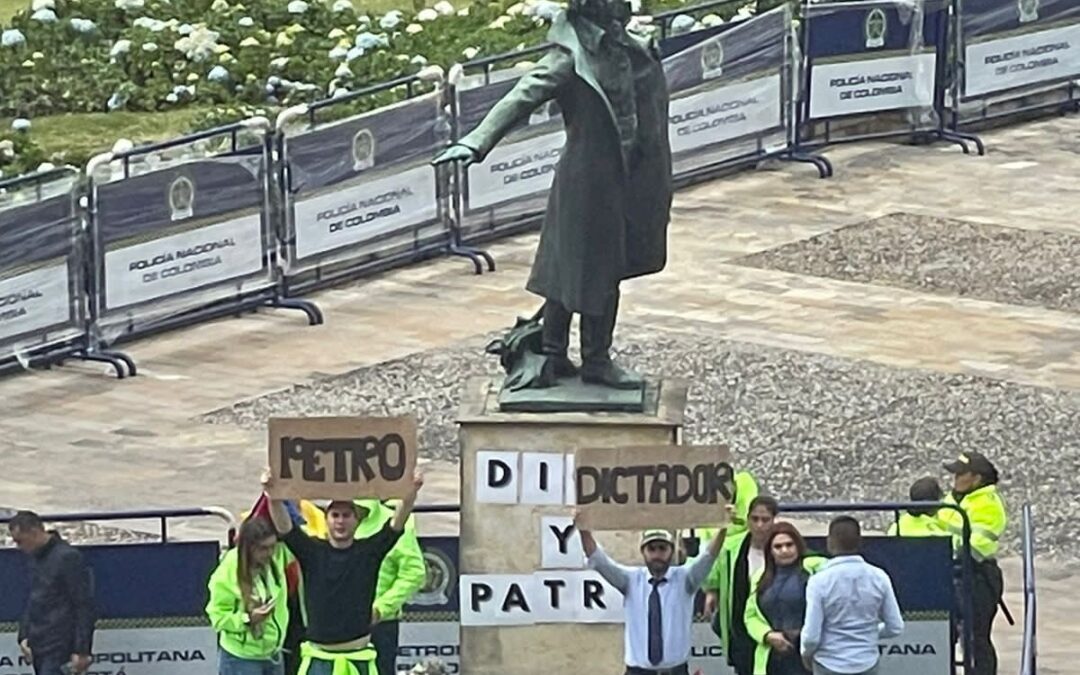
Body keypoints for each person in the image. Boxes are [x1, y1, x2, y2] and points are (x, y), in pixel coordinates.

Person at [432, 0, 673, 390]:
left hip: (630, 180)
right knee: (585, 271)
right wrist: (476, 141)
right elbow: (522, 95)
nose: (624, 8)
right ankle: (581, 357)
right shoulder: (569, 59)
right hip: (586, 182)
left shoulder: (632, 49)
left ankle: (564, 353)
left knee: (584, 267)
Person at [262, 469, 424, 675]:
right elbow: (284, 526)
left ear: (356, 521)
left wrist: (411, 492)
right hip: (319, 659)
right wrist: (272, 494)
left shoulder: (369, 551)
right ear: (326, 519)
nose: (340, 521)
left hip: (358, 658)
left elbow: (396, 523)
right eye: (335, 515)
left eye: (346, 515)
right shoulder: (310, 550)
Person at [574, 506, 732, 675]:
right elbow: (598, 559)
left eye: (662, 549)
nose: (657, 555)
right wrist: (583, 529)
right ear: (643, 552)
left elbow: (709, 556)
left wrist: (724, 525)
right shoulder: (630, 580)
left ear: (672, 551)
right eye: (652, 549)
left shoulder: (686, 579)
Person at [801, 517, 904, 675]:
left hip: (828, 663)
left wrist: (806, 654)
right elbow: (895, 626)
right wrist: (869, 632)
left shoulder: (818, 581)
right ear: (860, 542)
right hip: (866, 662)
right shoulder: (879, 576)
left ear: (829, 542)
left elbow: (811, 637)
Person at [937, 451, 1007, 675]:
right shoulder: (953, 499)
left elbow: (978, 547)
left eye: (960, 474)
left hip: (977, 577)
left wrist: (949, 553)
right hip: (951, 573)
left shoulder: (987, 505)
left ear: (976, 478)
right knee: (946, 635)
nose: (955, 479)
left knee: (976, 638)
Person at [344, 500, 426, 675]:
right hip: (336, 623)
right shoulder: (330, 519)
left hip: (378, 624)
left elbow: (414, 573)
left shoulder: (393, 521)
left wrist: (380, 609)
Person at [9, 511, 95, 675]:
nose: (19, 547)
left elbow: (83, 604)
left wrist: (82, 649)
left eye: (20, 541)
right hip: (39, 643)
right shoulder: (35, 559)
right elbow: (34, 598)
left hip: (60, 644)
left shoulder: (68, 558)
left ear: (34, 532)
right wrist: (24, 635)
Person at [703, 495, 779, 675]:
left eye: (765, 520)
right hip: (741, 630)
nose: (759, 525)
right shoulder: (731, 546)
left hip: (775, 629)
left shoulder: (784, 545)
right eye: (755, 519)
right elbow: (715, 568)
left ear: (774, 520)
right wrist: (711, 591)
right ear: (748, 519)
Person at [206, 518, 291, 675]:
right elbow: (217, 617)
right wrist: (248, 619)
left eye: (272, 547)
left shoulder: (276, 558)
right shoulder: (227, 571)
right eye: (263, 549)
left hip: (274, 654)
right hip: (241, 660)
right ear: (248, 548)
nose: (270, 553)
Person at [745, 523, 827, 675]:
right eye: (778, 546)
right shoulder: (759, 577)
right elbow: (750, 616)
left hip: (810, 654)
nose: (784, 550)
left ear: (798, 545)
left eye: (789, 545)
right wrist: (767, 635)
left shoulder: (815, 567)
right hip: (773, 655)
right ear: (770, 551)